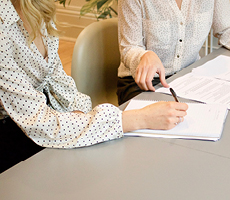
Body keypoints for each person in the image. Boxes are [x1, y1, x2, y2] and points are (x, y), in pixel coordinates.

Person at [0, 0, 188, 173]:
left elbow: (58, 82)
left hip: (42, 118)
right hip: (14, 134)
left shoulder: (37, 7)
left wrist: (82, 115)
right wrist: (138, 119)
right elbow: (40, 123)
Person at [117, 0, 230, 105]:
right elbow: (129, 47)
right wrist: (143, 56)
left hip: (188, 79)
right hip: (142, 84)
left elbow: (226, 29)